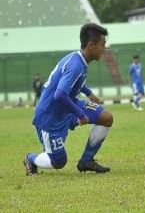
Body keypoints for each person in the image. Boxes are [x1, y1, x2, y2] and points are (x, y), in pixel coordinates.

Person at [23, 23, 113, 176]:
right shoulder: (76, 65)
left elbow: (73, 82)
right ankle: (30, 158)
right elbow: (59, 95)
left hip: (68, 105)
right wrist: (81, 114)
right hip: (50, 116)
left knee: (106, 117)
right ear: (91, 45)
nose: (104, 49)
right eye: (102, 45)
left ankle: (87, 160)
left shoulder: (78, 59)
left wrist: (89, 93)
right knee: (58, 162)